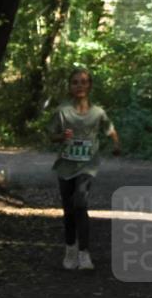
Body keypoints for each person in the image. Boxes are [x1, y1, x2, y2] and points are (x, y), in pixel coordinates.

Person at [47, 67, 121, 270]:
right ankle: (70, 249)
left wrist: (116, 145)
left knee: (80, 203)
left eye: (84, 82)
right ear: (70, 87)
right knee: (68, 209)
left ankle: (84, 254)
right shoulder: (62, 111)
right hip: (65, 165)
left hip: (87, 166)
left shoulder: (98, 113)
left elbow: (110, 130)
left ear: (90, 86)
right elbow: (51, 135)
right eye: (75, 82)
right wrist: (61, 137)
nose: (80, 85)